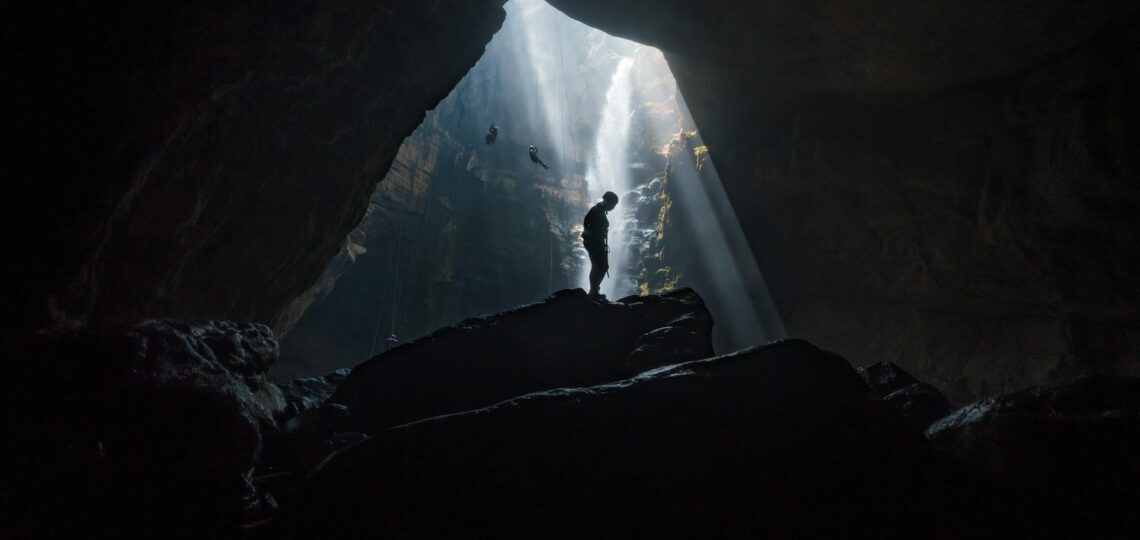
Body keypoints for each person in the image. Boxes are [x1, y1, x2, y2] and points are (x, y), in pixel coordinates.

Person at [582, 191, 619, 299]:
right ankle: (593, 291)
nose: (614, 207)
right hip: (594, 243)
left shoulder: (599, 210)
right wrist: (590, 237)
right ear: (608, 201)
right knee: (599, 266)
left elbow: (586, 222)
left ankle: (594, 290)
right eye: (613, 204)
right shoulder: (597, 210)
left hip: (596, 243)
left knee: (601, 266)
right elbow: (586, 222)